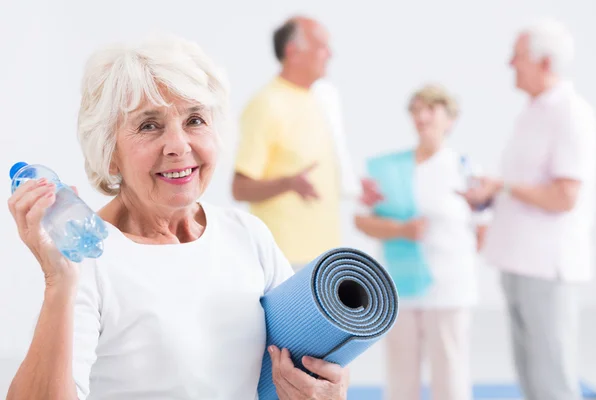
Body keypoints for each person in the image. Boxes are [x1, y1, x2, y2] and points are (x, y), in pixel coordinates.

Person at [6, 35, 349, 400]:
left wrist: (327, 390)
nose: (179, 145)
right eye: (149, 125)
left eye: (195, 120)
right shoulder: (84, 260)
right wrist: (58, 282)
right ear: (109, 152)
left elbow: (301, 368)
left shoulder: (247, 235)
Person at [462, 18, 596, 400]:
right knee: (532, 377)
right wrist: (490, 194)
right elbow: (528, 186)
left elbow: (564, 197)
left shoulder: (571, 113)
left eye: (518, 56)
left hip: (547, 268)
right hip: (519, 263)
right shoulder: (534, 112)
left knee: (552, 378)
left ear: (546, 64)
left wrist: (502, 186)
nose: (510, 64)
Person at [355, 84, 487, 400]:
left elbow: (482, 229)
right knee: (400, 379)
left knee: (450, 375)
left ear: (450, 119)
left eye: (430, 108)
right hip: (400, 288)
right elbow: (362, 220)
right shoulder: (388, 169)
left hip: (449, 290)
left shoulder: (465, 168)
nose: (422, 116)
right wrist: (401, 231)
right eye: (415, 110)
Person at [232, 16, 381, 270]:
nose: (330, 54)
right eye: (322, 47)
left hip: (325, 257)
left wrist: (356, 188)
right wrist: (288, 183)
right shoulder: (266, 104)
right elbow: (240, 188)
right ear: (294, 52)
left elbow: (321, 171)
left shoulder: (322, 101)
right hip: (283, 258)